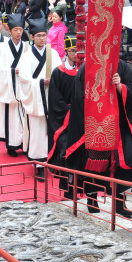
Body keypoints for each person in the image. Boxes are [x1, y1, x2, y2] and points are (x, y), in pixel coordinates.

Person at [64, 56, 132, 218]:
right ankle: (92, 200)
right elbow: (78, 96)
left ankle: (119, 203)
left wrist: (120, 86)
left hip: (117, 125)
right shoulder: (86, 67)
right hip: (94, 124)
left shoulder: (122, 66)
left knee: (122, 165)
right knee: (93, 165)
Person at [19, 19, 62, 174]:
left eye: (44, 35)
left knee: (52, 131)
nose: (42, 38)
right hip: (36, 99)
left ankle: (52, 160)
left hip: (51, 97)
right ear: (32, 37)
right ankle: (39, 164)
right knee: (37, 131)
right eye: (38, 35)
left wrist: (54, 81)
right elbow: (23, 79)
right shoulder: (26, 56)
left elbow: (60, 72)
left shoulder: (53, 53)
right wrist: (40, 82)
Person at [0, 13, 30, 156]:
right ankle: (11, 145)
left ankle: (24, 143)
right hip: (9, 87)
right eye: (16, 30)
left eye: (20, 29)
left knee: (25, 117)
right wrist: (13, 71)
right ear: (10, 30)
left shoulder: (27, 47)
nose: (19, 33)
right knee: (12, 118)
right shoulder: (3, 47)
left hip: (23, 87)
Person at [47, 35, 78, 175]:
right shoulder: (58, 72)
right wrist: (68, 110)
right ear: (66, 51)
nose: (75, 54)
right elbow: (55, 97)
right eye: (72, 50)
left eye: (78, 50)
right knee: (63, 140)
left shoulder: (83, 71)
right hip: (63, 113)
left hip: (80, 112)